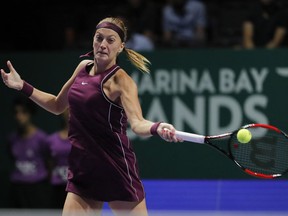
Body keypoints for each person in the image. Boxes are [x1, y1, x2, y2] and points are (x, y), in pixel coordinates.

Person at [1, 17, 181, 216]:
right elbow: (57, 105)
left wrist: (158, 127)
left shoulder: (122, 81)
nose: (103, 45)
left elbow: (137, 123)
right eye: (99, 38)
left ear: (121, 47)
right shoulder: (82, 68)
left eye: (110, 40)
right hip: (83, 168)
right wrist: (22, 86)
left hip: (115, 169)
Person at [5, 95, 51, 209]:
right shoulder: (11, 139)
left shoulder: (42, 138)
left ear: (30, 113)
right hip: (17, 190)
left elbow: (49, 163)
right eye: (16, 112)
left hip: (37, 189)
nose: (19, 116)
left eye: (23, 112)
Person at [46, 108, 71, 209]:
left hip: (77, 188)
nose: (69, 112)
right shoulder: (51, 140)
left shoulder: (86, 139)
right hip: (57, 188)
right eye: (67, 109)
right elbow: (48, 163)